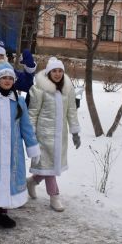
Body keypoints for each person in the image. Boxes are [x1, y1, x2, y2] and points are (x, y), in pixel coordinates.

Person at [0, 62, 40, 231]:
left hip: (13, 151)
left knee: (9, 180)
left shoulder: (19, 102)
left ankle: (2, 214)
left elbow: (26, 126)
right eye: (4, 78)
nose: (7, 81)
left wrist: (32, 146)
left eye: (10, 78)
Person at [27, 57, 80, 212]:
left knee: (49, 167)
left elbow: (71, 111)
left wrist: (75, 132)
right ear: (49, 72)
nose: (57, 74)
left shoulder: (68, 89)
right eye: (54, 71)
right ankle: (54, 196)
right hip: (43, 135)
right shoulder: (39, 89)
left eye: (60, 71)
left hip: (60, 135)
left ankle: (32, 182)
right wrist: (31, 136)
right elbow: (33, 113)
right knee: (49, 167)